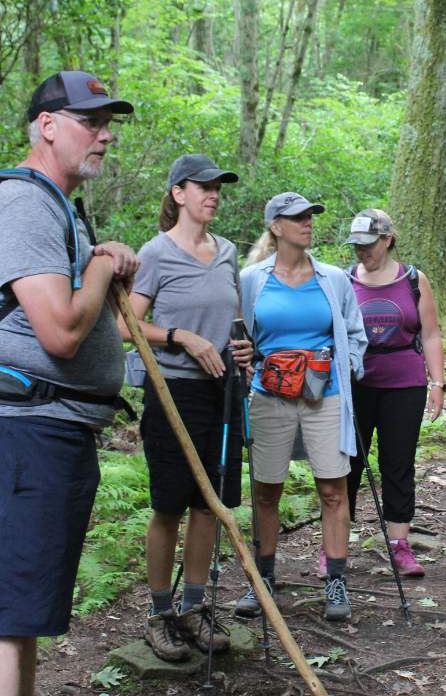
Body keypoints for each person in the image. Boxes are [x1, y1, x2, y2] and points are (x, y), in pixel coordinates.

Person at [0, 71, 138, 696]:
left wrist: (98, 261)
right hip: (25, 434)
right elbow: (59, 332)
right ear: (48, 125)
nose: (104, 135)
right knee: (10, 614)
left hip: (50, 434)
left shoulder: (58, 206)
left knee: (20, 612)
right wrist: (104, 266)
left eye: (107, 124)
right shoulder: (26, 202)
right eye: (91, 121)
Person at [117, 154, 252, 662]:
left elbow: (235, 320)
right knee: (169, 504)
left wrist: (243, 347)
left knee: (209, 505)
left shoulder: (228, 252)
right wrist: (180, 337)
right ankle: (160, 615)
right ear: (178, 194)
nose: (213, 194)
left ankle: (193, 606)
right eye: (203, 186)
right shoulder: (155, 253)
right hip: (173, 392)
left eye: (218, 187)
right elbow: (125, 324)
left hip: (224, 391)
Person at [235, 193, 367, 622]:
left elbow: (354, 332)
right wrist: (244, 358)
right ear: (275, 226)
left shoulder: (333, 279)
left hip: (324, 397)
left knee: (333, 488)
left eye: (310, 216)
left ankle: (336, 582)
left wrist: (338, 367)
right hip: (268, 396)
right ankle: (264, 579)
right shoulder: (251, 279)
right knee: (266, 490)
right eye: (297, 218)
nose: (307, 223)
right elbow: (238, 336)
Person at [343, 209, 445, 578]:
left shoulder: (414, 280)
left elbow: (430, 334)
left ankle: (399, 545)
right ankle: (335, 546)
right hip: (356, 383)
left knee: (397, 463)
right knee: (347, 464)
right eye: (356, 245)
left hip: (404, 383)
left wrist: (437, 382)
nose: (361, 252)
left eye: (368, 245)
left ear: (387, 240)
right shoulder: (344, 280)